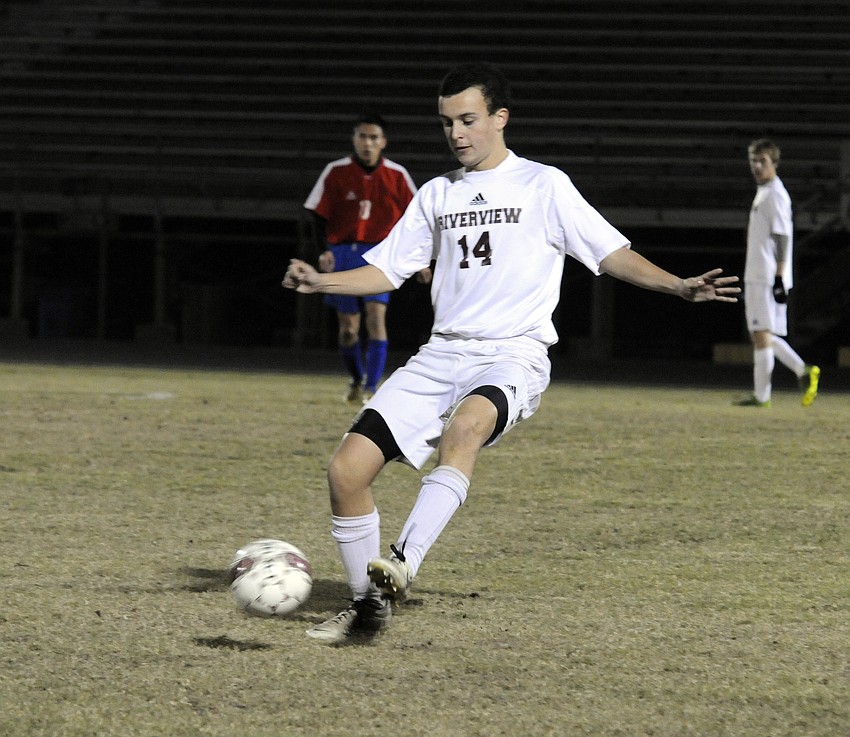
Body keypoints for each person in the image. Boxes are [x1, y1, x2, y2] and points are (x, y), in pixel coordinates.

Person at [283, 63, 741, 645]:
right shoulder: (435, 194)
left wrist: (677, 285)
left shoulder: (543, 185)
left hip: (512, 356)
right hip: (440, 354)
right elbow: (384, 269)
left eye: (468, 120)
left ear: (500, 118)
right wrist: (322, 282)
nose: (457, 134)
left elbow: (609, 253)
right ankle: (365, 609)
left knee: (465, 430)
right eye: (447, 122)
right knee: (346, 470)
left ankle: (403, 559)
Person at [303, 112, 420, 403]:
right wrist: (324, 251)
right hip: (343, 252)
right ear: (354, 139)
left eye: (373, 137)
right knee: (348, 330)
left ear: (383, 142)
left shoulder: (397, 175)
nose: (367, 143)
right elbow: (316, 213)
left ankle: (371, 388)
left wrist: (417, 259)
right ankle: (356, 380)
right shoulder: (336, 171)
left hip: (378, 253)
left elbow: (417, 218)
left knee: (376, 318)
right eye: (362, 137)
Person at [735, 138, 819, 408]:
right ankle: (798, 373)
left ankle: (767, 393)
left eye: (763, 161)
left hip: (766, 275)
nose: (757, 166)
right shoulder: (765, 191)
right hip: (759, 273)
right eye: (753, 161)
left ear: (774, 163)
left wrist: (780, 276)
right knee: (762, 333)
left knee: (760, 333)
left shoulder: (775, 194)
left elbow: (782, 237)